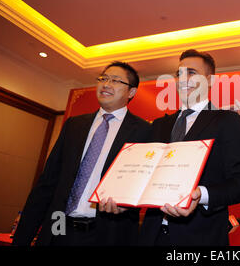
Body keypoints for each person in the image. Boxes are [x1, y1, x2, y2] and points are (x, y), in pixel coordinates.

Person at [103, 49, 240, 245]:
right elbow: (144, 178)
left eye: (191, 73)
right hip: (151, 235)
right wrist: (125, 203)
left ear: (210, 80)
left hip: (200, 237)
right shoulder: (158, 126)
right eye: (179, 74)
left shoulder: (228, 120)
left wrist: (201, 194)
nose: (183, 79)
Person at [12, 61, 151, 246]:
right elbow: (47, 184)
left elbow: (144, 184)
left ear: (131, 92)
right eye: (103, 78)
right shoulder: (74, 125)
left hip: (106, 234)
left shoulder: (145, 131)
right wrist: (22, 239)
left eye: (116, 81)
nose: (106, 84)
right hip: (58, 227)